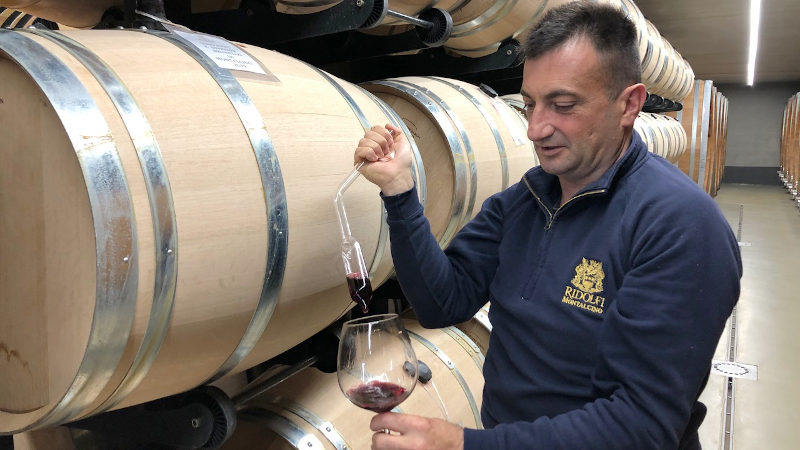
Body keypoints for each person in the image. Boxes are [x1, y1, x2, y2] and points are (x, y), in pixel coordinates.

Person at [353, 2, 742, 449]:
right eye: (531, 104)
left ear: (629, 104)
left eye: (562, 105)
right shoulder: (527, 198)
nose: (536, 128)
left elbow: (642, 425)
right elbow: (442, 303)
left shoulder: (680, 226)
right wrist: (401, 193)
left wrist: (465, 445)